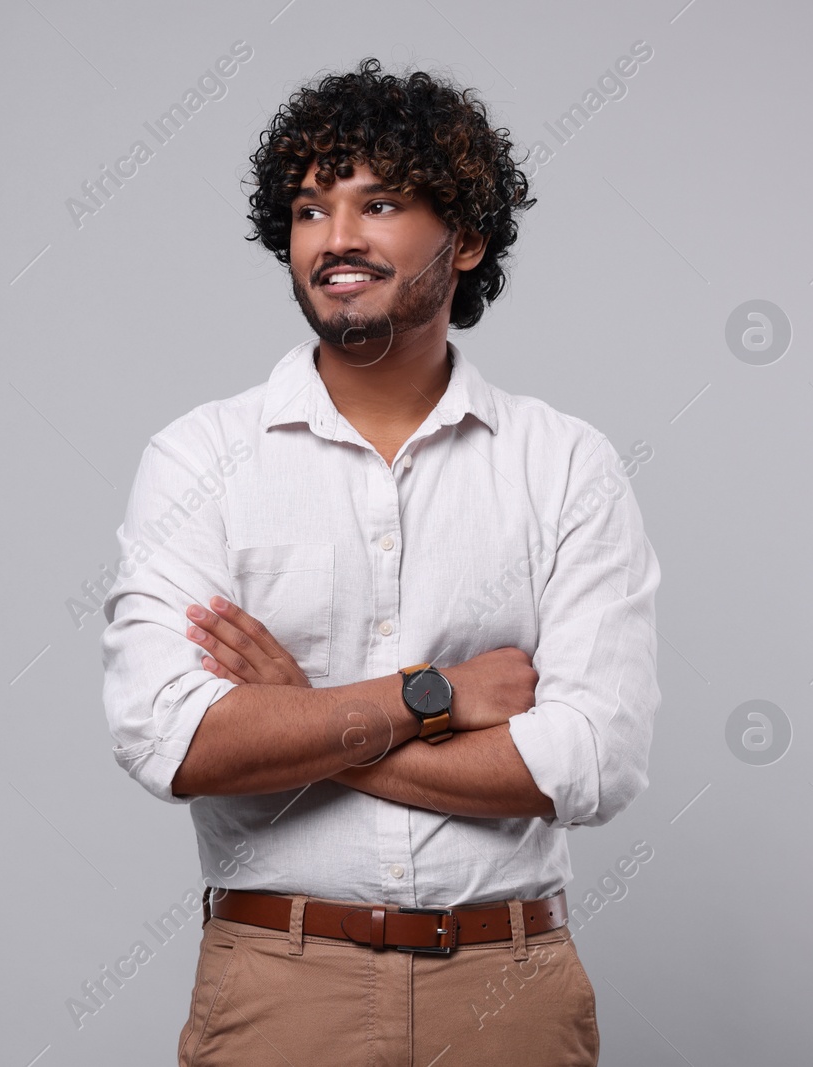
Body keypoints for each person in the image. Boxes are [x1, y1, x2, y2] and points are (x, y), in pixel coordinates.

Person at [99, 57, 660, 1066]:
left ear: (468, 239)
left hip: (510, 988)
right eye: (309, 209)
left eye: (381, 202)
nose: (336, 237)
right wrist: (430, 696)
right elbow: (169, 739)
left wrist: (305, 713)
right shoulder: (199, 459)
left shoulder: (563, 463)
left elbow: (592, 759)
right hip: (277, 981)